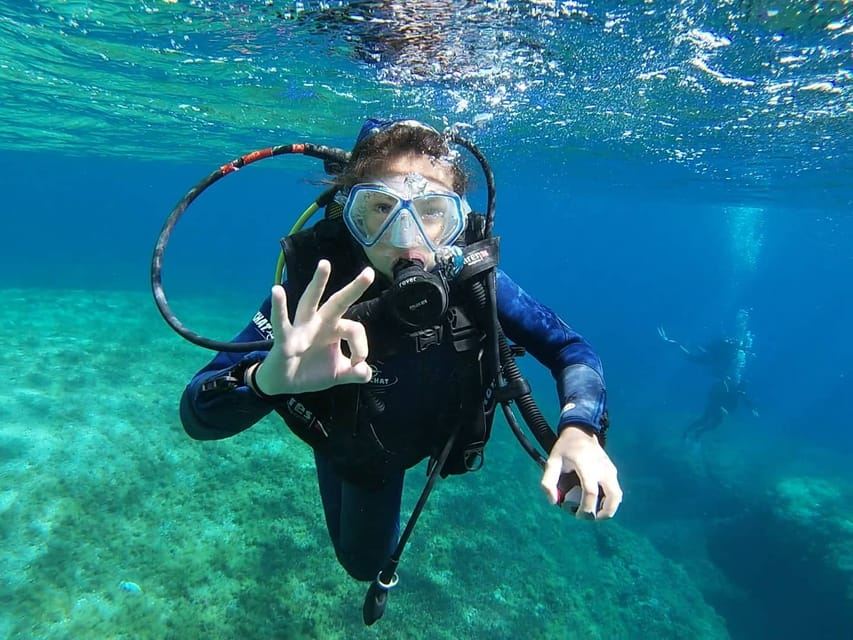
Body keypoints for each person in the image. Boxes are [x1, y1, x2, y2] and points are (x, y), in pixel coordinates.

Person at [179, 119, 622, 590]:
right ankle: (334, 455)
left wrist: (580, 427)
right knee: (360, 559)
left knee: (364, 563)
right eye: (381, 208)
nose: (406, 238)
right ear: (350, 217)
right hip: (351, 450)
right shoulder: (313, 294)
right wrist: (266, 381)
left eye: (432, 213)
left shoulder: (474, 283)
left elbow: (570, 348)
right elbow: (196, 413)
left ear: (460, 225)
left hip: (411, 449)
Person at [658, 317, 758, 441]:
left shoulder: (733, 383)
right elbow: (717, 393)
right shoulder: (727, 378)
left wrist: (752, 408)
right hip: (715, 398)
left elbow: (743, 397)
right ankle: (688, 433)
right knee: (705, 420)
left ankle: (696, 435)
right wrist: (721, 406)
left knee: (713, 423)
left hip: (714, 368)